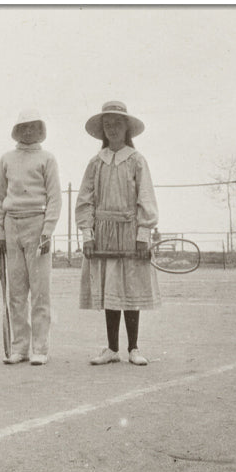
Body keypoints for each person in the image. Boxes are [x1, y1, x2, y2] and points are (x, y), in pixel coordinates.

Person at [75, 100, 161, 366]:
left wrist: (143, 236)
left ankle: (133, 348)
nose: (112, 129)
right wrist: (88, 235)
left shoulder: (136, 161)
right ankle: (112, 348)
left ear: (127, 129)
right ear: (102, 130)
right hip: (103, 233)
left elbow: (145, 197)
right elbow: (85, 201)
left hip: (130, 232)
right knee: (110, 287)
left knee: (130, 286)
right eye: (107, 125)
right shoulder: (95, 163)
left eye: (117, 123)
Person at [0, 108, 61, 365]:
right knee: (16, 291)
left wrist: (47, 231)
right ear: (17, 130)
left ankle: (40, 348)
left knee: (40, 290)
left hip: (37, 223)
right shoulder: (7, 159)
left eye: (33, 126)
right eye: (24, 127)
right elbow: (0, 198)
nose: (29, 131)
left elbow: (54, 197)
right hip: (12, 226)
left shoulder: (47, 159)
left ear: (40, 129)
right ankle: (19, 347)